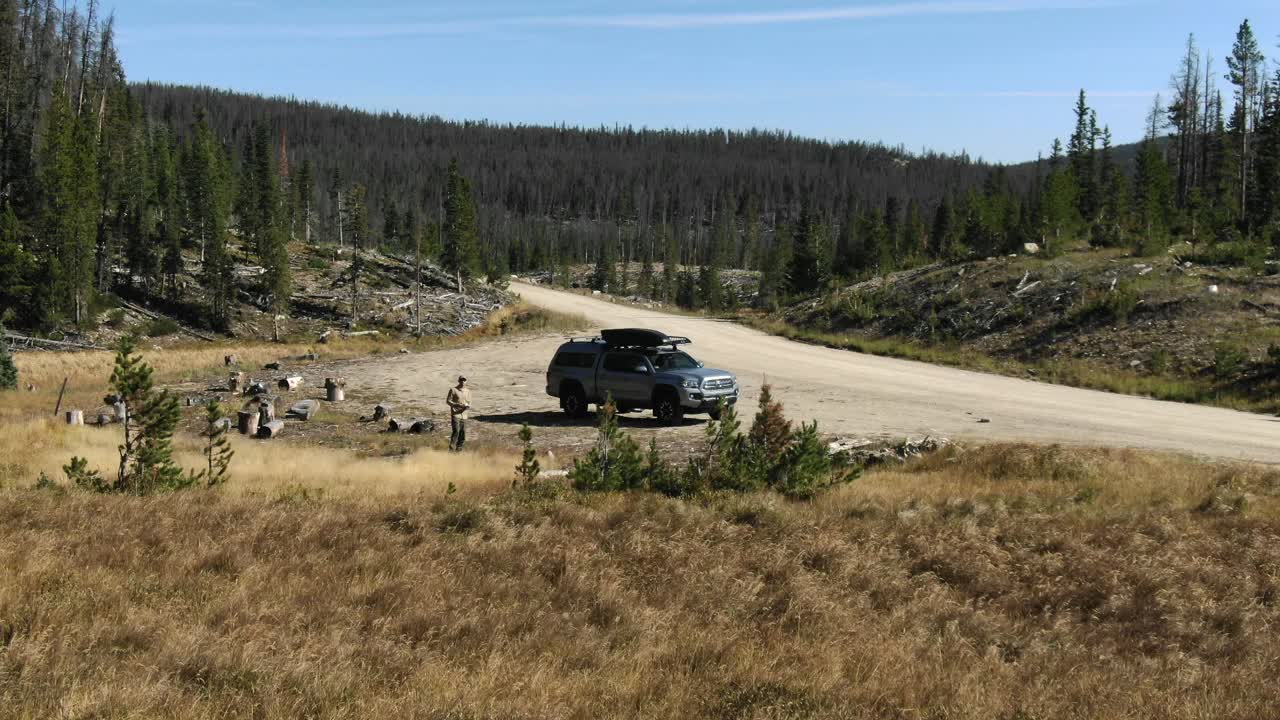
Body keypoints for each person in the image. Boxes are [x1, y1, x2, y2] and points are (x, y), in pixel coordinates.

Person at [446, 375, 472, 451]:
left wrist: (467, 406)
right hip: (455, 414)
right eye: (461, 380)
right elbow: (448, 401)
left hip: (464, 415)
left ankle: (459, 449)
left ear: (466, 381)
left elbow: (469, 402)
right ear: (458, 381)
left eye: (464, 380)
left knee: (462, 433)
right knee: (456, 431)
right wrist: (456, 404)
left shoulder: (468, 391)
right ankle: (451, 449)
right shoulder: (453, 390)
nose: (463, 382)